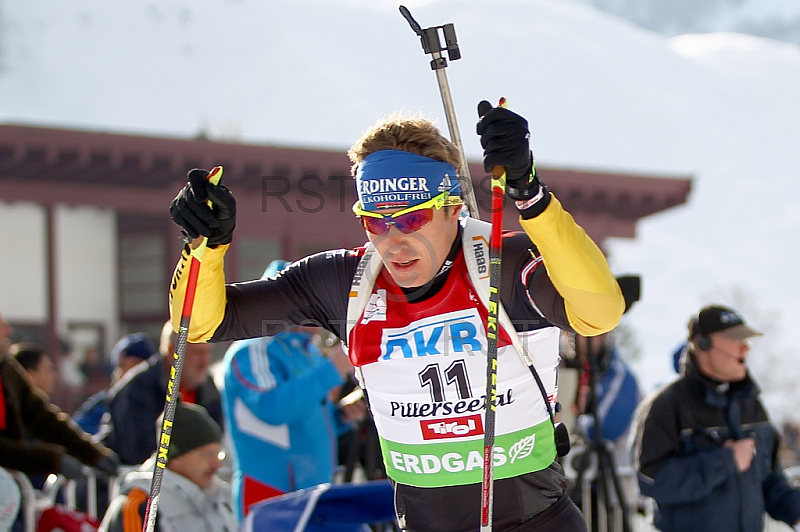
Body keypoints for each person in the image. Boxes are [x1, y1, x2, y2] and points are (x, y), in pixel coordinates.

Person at [168, 103, 624, 531]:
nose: (395, 241)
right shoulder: (341, 281)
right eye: (376, 221)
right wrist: (205, 248)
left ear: (452, 208)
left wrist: (531, 195)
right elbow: (203, 324)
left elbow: (599, 313)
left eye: (411, 219)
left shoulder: (505, 261)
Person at [631, 304, 800, 532]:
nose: (745, 349)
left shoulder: (751, 404)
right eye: (735, 340)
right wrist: (726, 460)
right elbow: (650, 481)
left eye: (747, 341)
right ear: (703, 344)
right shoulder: (666, 404)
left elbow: (770, 483)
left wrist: (796, 511)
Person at [221, 259, 366, 520]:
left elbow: (302, 422)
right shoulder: (254, 348)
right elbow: (271, 409)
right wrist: (331, 369)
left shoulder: (307, 348)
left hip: (313, 487)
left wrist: (339, 417)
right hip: (270, 492)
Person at [0, 313, 120, 530]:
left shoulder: (6, 369)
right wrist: (54, 460)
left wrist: (92, 454)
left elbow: (43, 418)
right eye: (0, 325)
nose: (8, 330)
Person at [99, 321, 223, 466]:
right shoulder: (136, 389)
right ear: (172, 353)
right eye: (197, 353)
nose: (205, 361)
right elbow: (137, 450)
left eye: (209, 352)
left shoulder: (208, 388)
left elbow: (216, 439)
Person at [99, 401, 237, 532]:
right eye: (207, 455)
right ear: (174, 458)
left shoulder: (222, 495)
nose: (217, 464)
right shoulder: (141, 503)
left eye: (218, 454)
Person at [73, 333, 157, 435]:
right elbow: (76, 433)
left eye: (136, 366)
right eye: (123, 365)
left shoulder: (161, 403)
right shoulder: (102, 405)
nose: (128, 372)